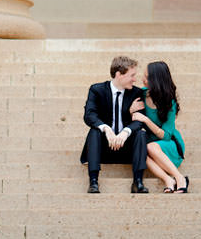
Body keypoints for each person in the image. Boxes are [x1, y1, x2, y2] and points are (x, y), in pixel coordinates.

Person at [80, 56, 149, 194]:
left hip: (127, 149)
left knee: (141, 134)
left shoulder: (137, 93)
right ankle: (93, 181)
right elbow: (89, 115)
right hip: (103, 149)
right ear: (119, 74)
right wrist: (106, 129)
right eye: (132, 75)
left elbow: (140, 120)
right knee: (94, 131)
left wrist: (126, 131)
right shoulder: (97, 90)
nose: (135, 79)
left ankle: (138, 182)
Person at [130, 61, 188, 193]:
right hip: (151, 146)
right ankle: (168, 180)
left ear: (156, 80)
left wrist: (146, 120)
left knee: (150, 147)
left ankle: (180, 178)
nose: (143, 80)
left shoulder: (169, 102)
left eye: (147, 77)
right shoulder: (141, 94)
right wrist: (130, 111)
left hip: (169, 145)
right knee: (141, 152)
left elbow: (166, 135)